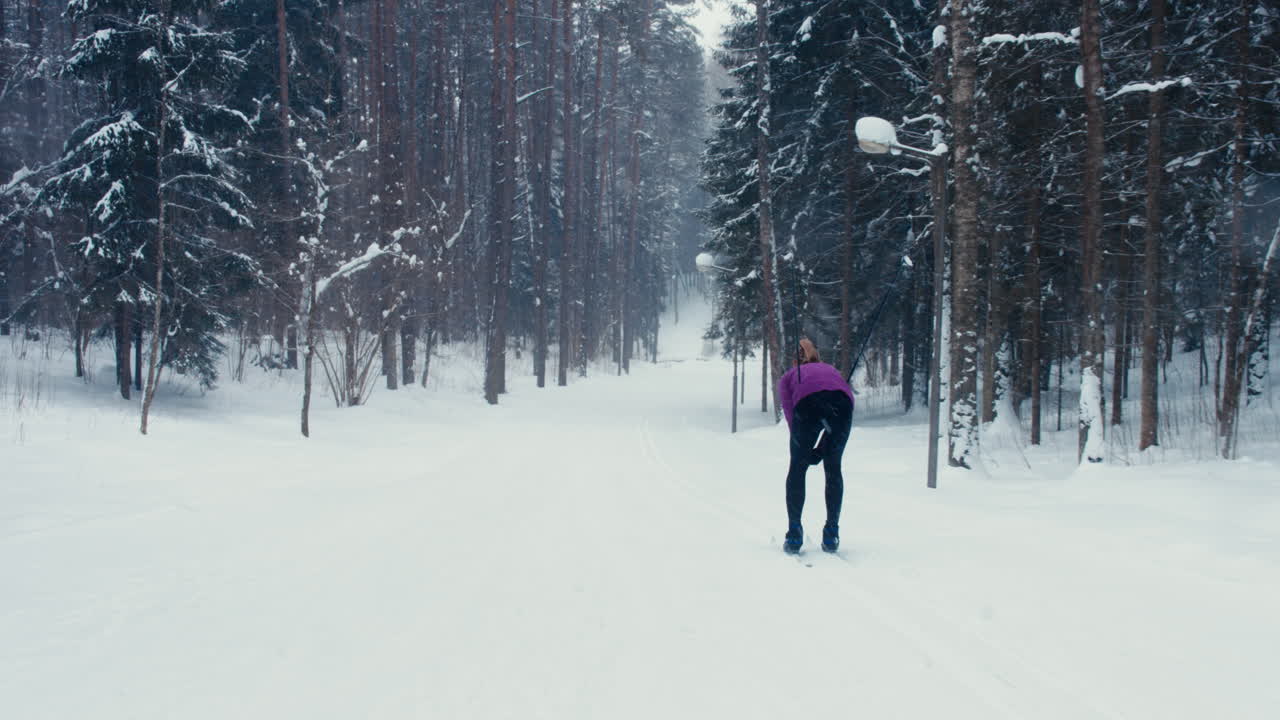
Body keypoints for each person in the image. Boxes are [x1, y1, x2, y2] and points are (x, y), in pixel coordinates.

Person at [776, 338, 854, 554]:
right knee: (833, 467)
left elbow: (791, 417)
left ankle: (794, 534)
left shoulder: (789, 377)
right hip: (842, 404)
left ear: (794, 361)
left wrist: (804, 451)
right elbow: (845, 407)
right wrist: (821, 451)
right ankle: (832, 533)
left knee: (797, 469)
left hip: (807, 405)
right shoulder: (831, 370)